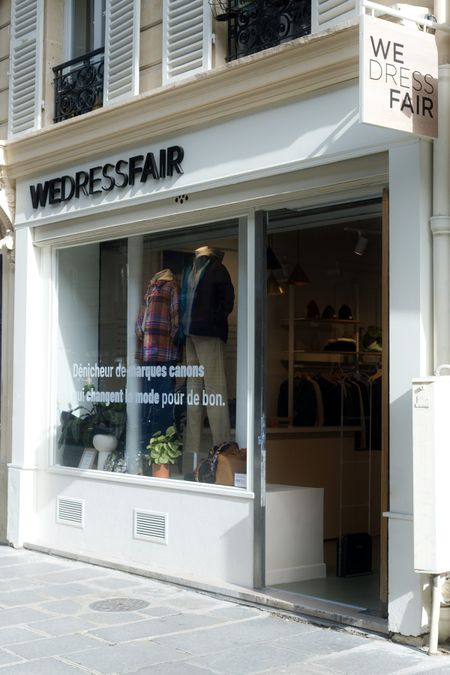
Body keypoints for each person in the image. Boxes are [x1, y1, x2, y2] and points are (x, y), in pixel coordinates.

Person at [180, 246, 235, 457]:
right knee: (193, 394)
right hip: (190, 333)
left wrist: (212, 320)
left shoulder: (217, 269)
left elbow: (227, 301)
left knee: (214, 390)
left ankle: (222, 449)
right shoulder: (189, 270)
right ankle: (191, 452)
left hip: (209, 333)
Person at [135, 268, 181, 448]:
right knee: (150, 397)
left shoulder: (172, 287)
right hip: (149, 352)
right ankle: (149, 440)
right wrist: (139, 331)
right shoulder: (151, 287)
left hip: (165, 351)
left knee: (164, 398)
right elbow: (141, 316)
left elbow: (176, 315)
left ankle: (164, 440)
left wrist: (175, 338)